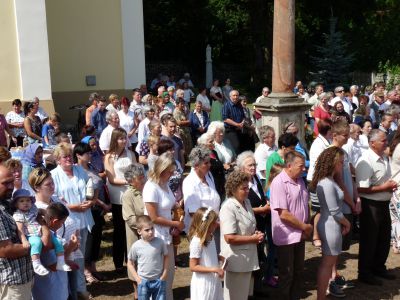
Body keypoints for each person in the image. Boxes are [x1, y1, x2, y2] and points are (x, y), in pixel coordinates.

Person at [51, 143, 95, 298]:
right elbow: (54, 198)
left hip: (84, 219)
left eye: (70, 155)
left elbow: (90, 188)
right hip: (67, 222)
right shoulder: (54, 175)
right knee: (68, 257)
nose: (68, 158)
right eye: (65, 156)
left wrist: (90, 201)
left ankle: (80, 289)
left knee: (80, 256)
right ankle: (72, 291)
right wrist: (71, 206)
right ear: (57, 160)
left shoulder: (79, 170)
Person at [28, 168, 78, 300]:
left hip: (67, 256)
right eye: (48, 184)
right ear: (37, 187)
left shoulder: (56, 200)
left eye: (53, 183)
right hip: (51, 278)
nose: (52, 186)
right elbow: (49, 256)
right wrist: (69, 248)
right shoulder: (36, 213)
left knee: (70, 292)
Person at [356, 129, 397, 285]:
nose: (386, 142)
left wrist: (388, 187)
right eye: (383, 140)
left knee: (383, 238)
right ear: (372, 143)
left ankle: (378, 267)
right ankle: (365, 273)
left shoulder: (384, 157)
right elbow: (360, 188)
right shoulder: (365, 160)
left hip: (383, 203)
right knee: (369, 240)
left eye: (386, 140)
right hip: (370, 205)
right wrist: (384, 187)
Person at [310, 147, 351, 300]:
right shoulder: (326, 183)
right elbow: (334, 211)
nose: (342, 165)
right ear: (332, 163)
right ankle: (321, 296)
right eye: (340, 162)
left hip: (332, 224)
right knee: (327, 263)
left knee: (329, 262)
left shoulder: (329, 180)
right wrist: (347, 223)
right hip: (330, 225)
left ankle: (323, 294)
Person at [270, 151, 311, 300]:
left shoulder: (299, 180)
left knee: (299, 270)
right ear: (289, 166)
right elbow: (284, 214)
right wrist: (304, 226)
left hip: (299, 232)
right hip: (287, 235)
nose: (304, 169)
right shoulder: (279, 182)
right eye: (301, 166)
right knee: (286, 273)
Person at [143, 153, 184, 300]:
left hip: (167, 235)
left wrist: (177, 209)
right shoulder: (151, 187)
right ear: (161, 169)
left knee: (169, 275)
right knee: (159, 276)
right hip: (155, 237)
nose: (172, 174)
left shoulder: (165, 184)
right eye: (170, 171)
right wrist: (175, 223)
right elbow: (153, 218)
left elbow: (170, 204)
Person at [219, 170, 264, 300]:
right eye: (243, 188)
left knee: (243, 296)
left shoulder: (247, 202)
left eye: (248, 187)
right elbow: (229, 237)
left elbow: (248, 225)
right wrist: (252, 238)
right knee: (234, 296)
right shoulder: (228, 207)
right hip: (235, 261)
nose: (247, 191)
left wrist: (255, 233)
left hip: (247, 259)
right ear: (233, 189)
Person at [11, 188, 71, 276]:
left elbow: (43, 211)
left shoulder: (33, 209)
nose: (25, 203)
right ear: (16, 204)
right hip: (30, 235)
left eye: (28, 200)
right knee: (36, 242)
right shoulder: (18, 215)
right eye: (22, 201)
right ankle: (36, 264)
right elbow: (19, 230)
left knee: (58, 242)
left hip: (40, 231)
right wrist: (24, 240)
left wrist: (48, 215)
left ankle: (60, 262)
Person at [73, 142, 109, 283]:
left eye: (90, 152)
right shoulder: (77, 171)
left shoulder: (92, 167)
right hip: (89, 209)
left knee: (96, 241)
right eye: (87, 153)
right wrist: (101, 203)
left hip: (98, 209)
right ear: (78, 155)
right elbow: (85, 192)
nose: (90, 155)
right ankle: (86, 270)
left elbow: (98, 186)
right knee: (88, 242)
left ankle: (93, 268)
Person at [236, 151, 271, 292]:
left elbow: (260, 195)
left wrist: (266, 203)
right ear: (241, 168)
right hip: (247, 226)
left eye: (254, 164)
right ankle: (248, 291)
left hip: (260, 224)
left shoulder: (255, 178)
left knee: (259, 257)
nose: (253, 167)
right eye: (250, 165)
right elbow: (240, 208)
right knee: (250, 258)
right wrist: (260, 210)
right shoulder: (239, 183)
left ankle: (257, 287)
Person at [104, 128, 136, 271]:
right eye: (121, 138)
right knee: (119, 230)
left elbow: (136, 170)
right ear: (115, 139)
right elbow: (111, 179)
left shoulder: (131, 154)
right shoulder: (109, 157)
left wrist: (133, 182)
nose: (124, 141)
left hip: (131, 194)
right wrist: (127, 181)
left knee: (132, 228)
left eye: (125, 138)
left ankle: (131, 259)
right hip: (118, 196)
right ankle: (118, 263)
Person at [0, 164, 33, 300]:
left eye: (12, 181)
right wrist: (38, 245)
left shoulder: (7, 203)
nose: (10, 186)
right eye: (5, 183)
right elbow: (6, 250)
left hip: (22, 277)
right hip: (11, 282)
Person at [183, 146, 221, 242]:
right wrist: (213, 224)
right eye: (206, 163)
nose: (210, 165)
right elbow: (194, 213)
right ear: (196, 166)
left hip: (214, 227)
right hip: (200, 231)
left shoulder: (208, 176)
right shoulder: (189, 182)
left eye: (209, 162)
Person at [127, 215, 168, 300]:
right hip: (143, 281)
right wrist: (138, 279)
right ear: (139, 231)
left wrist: (164, 275)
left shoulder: (160, 243)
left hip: (159, 280)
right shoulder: (136, 246)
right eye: (147, 230)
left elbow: (166, 257)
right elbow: (130, 263)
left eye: (152, 228)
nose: (151, 232)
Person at [306, 119, 332, 248]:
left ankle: (315, 231)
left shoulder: (326, 141)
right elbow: (320, 165)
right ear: (328, 130)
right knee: (319, 210)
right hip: (315, 180)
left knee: (322, 209)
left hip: (321, 179)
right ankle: (315, 235)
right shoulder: (319, 144)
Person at [188, 207, 223, 300]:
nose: (216, 224)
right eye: (213, 222)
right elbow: (193, 266)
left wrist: (219, 257)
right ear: (205, 224)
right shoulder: (196, 242)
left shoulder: (210, 236)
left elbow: (207, 256)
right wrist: (214, 269)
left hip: (213, 280)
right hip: (203, 282)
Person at [122, 163, 146, 298]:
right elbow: (130, 219)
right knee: (135, 261)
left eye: (143, 176)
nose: (143, 179)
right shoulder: (128, 195)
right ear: (131, 180)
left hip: (150, 232)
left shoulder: (146, 190)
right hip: (136, 234)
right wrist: (145, 225)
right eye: (140, 177)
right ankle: (137, 292)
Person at [197, 133, 226, 199]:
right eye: (211, 142)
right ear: (204, 144)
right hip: (212, 184)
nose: (214, 143)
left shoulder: (214, 152)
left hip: (221, 184)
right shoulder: (203, 157)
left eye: (213, 141)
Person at [222, 90, 245, 154]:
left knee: (243, 145)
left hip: (239, 129)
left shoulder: (239, 105)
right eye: (234, 95)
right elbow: (225, 119)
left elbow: (243, 116)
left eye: (237, 95)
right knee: (236, 146)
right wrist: (237, 124)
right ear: (230, 97)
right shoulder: (226, 105)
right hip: (230, 130)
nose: (235, 97)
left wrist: (242, 123)